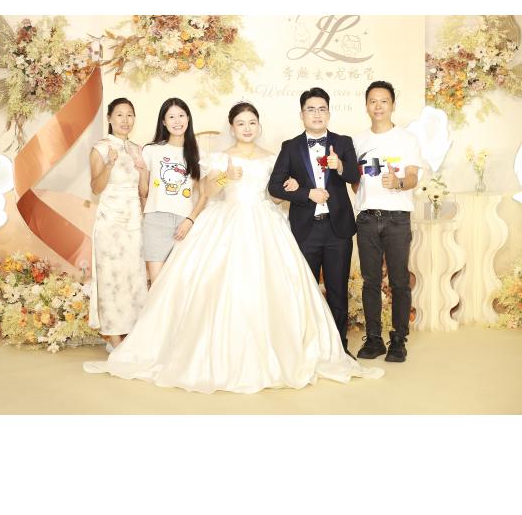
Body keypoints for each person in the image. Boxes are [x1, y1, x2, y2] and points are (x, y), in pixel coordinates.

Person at [83, 102, 383, 393]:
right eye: (241, 123)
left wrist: (289, 189)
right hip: (226, 220)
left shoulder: (271, 158)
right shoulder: (219, 157)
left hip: (265, 222)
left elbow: (274, 196)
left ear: (259, 126)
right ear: (232, 127)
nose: (247, 128)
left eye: (252, 123)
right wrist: (227, 176)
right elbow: (207, 191)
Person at [268, 87, 360, 357]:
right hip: (305, 230)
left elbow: (354, 176)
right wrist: (306, 193)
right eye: (311, 109)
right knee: (304, 292)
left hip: (337, 229)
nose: (317, 114)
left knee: (338, 292)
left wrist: (339, 165)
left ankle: (339, 349)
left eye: (322, 109)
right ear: (302, 114)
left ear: (329, 113)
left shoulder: (343, 142)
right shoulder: (290, 146)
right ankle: (308, 349)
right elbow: (275, 186)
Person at [352, 80, 422, 363]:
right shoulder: (357, 141)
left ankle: (398, 339)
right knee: (370, 281)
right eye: (373, 101)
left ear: (393, 105)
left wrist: (398, 182)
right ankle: (374, 339)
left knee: (399, 281)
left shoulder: (407, 139)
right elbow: (354, 182)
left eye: (383, 101)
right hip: (367, 219)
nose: (378, 106)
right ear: (366, 106)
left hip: (397, 219)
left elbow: (413, 177)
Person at [88, 98, 148, 349]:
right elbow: (96, 187)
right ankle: (113, 337)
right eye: (120, 115)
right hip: (110, 222)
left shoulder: (137, 149)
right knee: (111, 277)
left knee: (134, 277)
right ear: (110, 118)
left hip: (134, 220)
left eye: (129, 115)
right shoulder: (100, 148)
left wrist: (143, 169)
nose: (125, 120)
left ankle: (134, 333)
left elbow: (143, 191)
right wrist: (110, 164)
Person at [140, 97, 207, 283]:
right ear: (163, 121)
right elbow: (143, 190)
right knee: (157, 285)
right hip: (155, 221)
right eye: (171, 117)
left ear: (188, 118)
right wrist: (148, 213)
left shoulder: (198, 154)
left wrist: (190, 220)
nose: (177, 121)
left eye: (181, 115)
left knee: (181, 285)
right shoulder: (150, 150)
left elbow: (204, 195)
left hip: (184, 223)